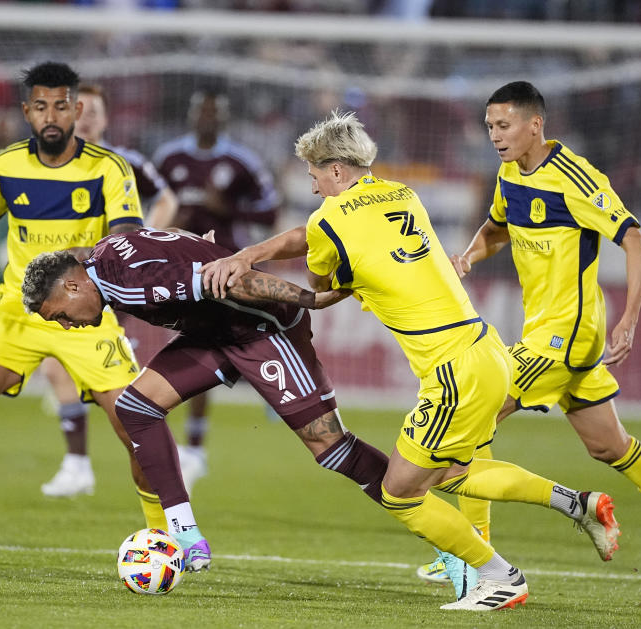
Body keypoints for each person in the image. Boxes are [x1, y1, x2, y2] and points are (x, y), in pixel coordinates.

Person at [198, 111, 622, 611]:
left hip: (452, 371)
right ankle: (581, 505)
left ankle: (500, 576)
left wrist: (248, 265)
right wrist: (253, 253)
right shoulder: (402, 194)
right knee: (452, 474)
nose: (311, 184)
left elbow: (320, 284)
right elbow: (311, 232)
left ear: (336, 171)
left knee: (399, 493)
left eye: (313, 173)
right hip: (488, 350)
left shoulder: (329, 221)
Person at [437, 81, 641, 597]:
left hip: (567, 336)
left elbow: (635, 238)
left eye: (503, 126)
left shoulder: (577, 178)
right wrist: (468, 255)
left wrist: (631, 318)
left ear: (536, 125)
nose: (495, 136)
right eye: (489, 127)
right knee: (609, 445)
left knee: (468, 418)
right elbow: (497, 226)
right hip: (551, 334)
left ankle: (474, 558)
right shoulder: (510, 172)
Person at [0, 61, 166, 555]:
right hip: (18, 315)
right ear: (27, 111)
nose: (51, 115)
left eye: (61, 106)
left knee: (135, 426)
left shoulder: (108, 168)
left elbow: (128, 233)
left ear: (75, 109)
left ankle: (162, 536)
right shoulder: (5, 167)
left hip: (85, 319)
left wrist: (86, 258)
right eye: (40, 106)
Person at [22, 229, 390, 574]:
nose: (67, 326)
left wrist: (309, 298)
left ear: (72, 285)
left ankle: (429, 519)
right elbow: (172, 238)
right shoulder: (105, 250)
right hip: (214, 333)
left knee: (333, 449)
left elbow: (235, 281)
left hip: (262, 330)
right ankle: (184, 534)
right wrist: (199, 244)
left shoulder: (134, 285)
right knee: (136, 407)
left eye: (60, 315)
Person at [35, 82, 178, 498]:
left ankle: (145, 461)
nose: (89, 117)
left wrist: (146, 239)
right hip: (73, 283)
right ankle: (78, 463)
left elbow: (165, 197)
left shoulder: (124, 161)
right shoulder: (54, 163)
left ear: (107, 118)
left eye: (96, 111)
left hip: (112, 282)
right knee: (57, 365)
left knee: (111, 384)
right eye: (82, 110)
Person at [152, 88, 281, 493]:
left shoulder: (241, 162)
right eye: (201, 110)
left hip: (232, 263)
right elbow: (151, 203)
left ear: (224, 118)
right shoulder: (170, 158)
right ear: (192, 115)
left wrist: (229, 210)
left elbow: (270, 210)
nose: (207, 117)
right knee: (196, 342)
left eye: (214, 112)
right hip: (185, 267)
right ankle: (194, 447)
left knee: (245, 341)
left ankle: (275, 383)